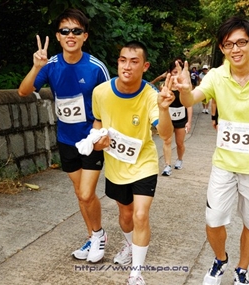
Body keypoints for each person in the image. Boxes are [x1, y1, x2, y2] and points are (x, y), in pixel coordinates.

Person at [173, 16, 249, 285]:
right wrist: (184, 90)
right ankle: (220, 260)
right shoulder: (217, 75)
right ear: (222, 48)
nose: (236, 49)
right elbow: (192, 99)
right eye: (229, 44)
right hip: (224, 163)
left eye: (242, 42)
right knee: (214, 218)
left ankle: (242, 270)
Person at [18, 8, 110, 263]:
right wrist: (36, 67)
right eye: (65, 31)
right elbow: (24, 91)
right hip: (66, 139)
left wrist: (100, 132)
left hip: (91, 139)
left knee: (86, 193)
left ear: (85, 36)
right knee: (79, 193)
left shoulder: (95, 67)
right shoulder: (50, 65)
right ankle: (94, 235)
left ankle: (99, 235)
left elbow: (109, 101)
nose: (71, 35)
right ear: (58, 36)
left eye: (76, 31)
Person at [91, 41, 174, 285]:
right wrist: (96, 142)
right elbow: (97, 124)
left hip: (144, 164)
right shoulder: (101, 92)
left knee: (140, 215)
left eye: (134, 61)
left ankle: (136, 273)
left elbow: (166, 134)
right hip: (116, 165)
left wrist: (164, 108)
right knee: (125, 214)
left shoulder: (151, 96)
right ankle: (130, 245)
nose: (127, 66)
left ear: (145, 66)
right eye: (122, 60)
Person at [161, 57, 193, 176]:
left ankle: (179, 159)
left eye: (178, 72)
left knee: (179, 143)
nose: (176, 75)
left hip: (181, 118)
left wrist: (189, 122)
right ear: (169, 72)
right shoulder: (165, 85)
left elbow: (189, 105)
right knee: (167, 141)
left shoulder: (185, 86)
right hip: (168, 118)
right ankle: (167, 165)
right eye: (174, 72)